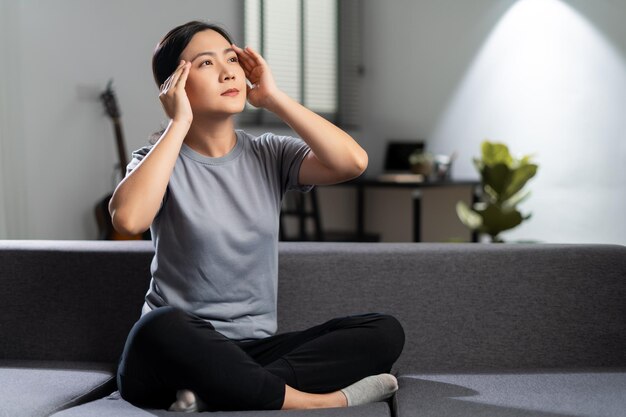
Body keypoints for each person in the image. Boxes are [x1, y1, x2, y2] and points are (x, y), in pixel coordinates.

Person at [109, 20, 405, 412]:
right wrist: (178, 123)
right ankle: (314, 401)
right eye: (206, 64)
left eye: (231, 58)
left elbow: (353, 162)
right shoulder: (156, 161)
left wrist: (274, 98)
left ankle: (222, 390)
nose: (229, 70)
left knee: (382, 332)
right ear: (173, 85)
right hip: (175, 351)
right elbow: (128, 220)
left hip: (255, 351)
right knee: (159, 326)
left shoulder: (269, 153)